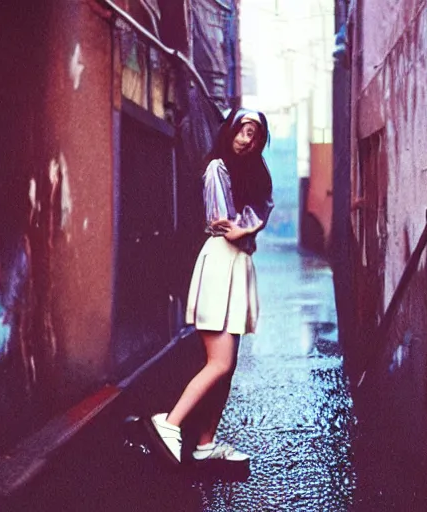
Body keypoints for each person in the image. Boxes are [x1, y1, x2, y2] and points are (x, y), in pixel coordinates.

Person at [148, 108, 274, 465]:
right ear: (230, 130)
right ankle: (169, 423)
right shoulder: (217, 167)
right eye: (242, 130)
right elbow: (224, 223)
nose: (246, 139)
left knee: (227, 366)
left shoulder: (252, 173)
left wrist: (248, 227)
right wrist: (248, 226)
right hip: (221, 260)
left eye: (254, 134)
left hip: (238, 263)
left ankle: (205, 443)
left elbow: (257, 212)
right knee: (219, 362)